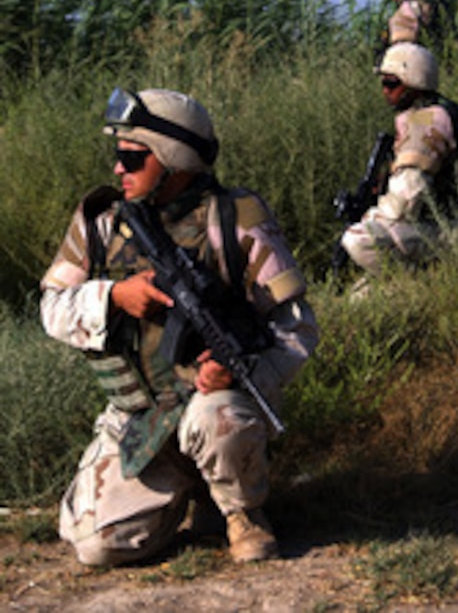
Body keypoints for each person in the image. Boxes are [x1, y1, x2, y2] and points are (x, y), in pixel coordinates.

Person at [40, 87, 319, 567]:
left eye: (131, 158)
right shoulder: (102, 225)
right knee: (95, 546)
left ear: (173, 158)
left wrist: (242, 372)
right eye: (118, 157)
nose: (117, 170)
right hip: (141, 417)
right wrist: (113, 298)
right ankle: (184, 493)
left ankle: (241, 510)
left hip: (213, 406)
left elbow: (297, 328)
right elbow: (51, 307)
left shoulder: (234, 218)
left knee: (217, 418)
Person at [341, 42, 458, 282]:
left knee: (359, 238)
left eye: (391, 83)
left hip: (453, 230)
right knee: (361, 296)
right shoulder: (449, 112)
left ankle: (418, 287)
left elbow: (407, 197)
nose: (384, 90)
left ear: (412, 82)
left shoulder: (425, 122)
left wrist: (372, 214)